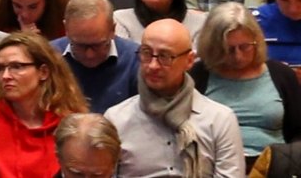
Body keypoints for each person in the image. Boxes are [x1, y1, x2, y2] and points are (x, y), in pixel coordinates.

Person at [104, 18, 243, 178]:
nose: (153, 66)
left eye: (165, 56)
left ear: (189, 60)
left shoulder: (220, 120)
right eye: (147, 53)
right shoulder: (116, 120)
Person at [0, 32, 85, 178]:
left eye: (16, 66)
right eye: (0, 68)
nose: (5, 76)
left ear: (43, 72)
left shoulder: (71, 123)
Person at [190, 2, 301, 158]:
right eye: (229, 49)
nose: (238, 57)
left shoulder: (281, 75)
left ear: (257, 41)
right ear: (213, 46)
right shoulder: (198, 75)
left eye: (245, 47)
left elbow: (298, 132)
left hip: (272, 165)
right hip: (214, 163)